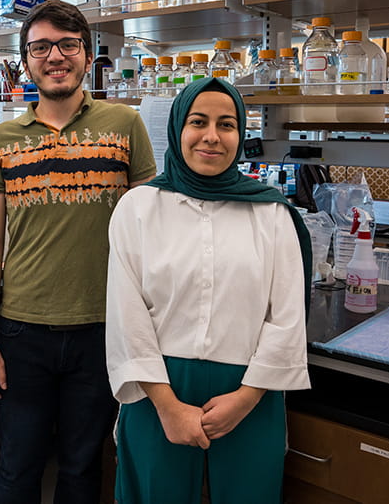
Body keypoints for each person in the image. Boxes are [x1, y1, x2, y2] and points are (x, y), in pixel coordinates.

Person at [0, 0, 157, 503]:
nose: (55, 56)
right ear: (25, 61)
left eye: (68, 45)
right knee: (17, 466)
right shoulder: (4, 139)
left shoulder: (125, 124)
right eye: (41, 47)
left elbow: (153, 230)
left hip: (103, 327)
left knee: (81, 467)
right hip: (22, 329)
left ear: (87, 53)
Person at [105, 77, 312, 503]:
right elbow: (127, 315)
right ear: (178, 127)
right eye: (198, 122)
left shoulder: (272, 212)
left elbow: (287, 316)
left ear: (241, 134)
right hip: (157, 387)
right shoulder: (138, 207)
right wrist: (168, 406)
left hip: (250, 391)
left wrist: (246, 397)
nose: (212, 137)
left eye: (227, 124)